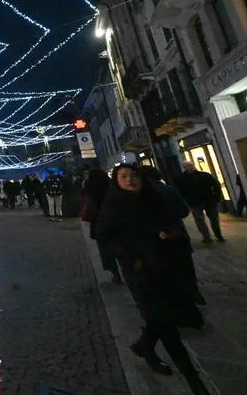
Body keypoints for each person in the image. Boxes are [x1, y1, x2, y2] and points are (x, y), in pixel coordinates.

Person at [96, 164, 210, 394]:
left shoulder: (153, 199)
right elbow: (103, 237)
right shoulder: (113, 206)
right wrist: (130, 256)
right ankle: (194, 380)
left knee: (160, 316)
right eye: (124, 176)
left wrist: (170, 234)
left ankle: (144, 346)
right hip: (141, 273)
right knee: (166, 324)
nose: (130, 179)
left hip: (168, 267)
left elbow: (174, 223)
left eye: (134, 175)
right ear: (116, 181)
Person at [140, 165, 205, 307]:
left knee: (169, 270)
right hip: (177, 233)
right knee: (186, 266)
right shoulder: (169, 190)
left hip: (158, 241)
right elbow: (183, 212)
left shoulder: (141, 196)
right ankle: (194, 292)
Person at [81, 168, 121, 284]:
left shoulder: (89, 190)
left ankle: (115, 273)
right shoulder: (112, 187)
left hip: (99, 223)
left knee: (105, 250)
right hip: (116, 221)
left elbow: (85, 208)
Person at [177, 161, 225, 245]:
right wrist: (186, 200)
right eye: (187, 166)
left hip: (209, 201)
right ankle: (207, 237)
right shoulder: (182, 178)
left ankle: (218, 235)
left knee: (214, 219)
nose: (190, 167)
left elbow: (215, 185)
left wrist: (216, 197)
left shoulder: (205, 175)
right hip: (195, 203)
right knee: (200, 220)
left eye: (191, 165)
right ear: (184, 168)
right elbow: (181, 191)